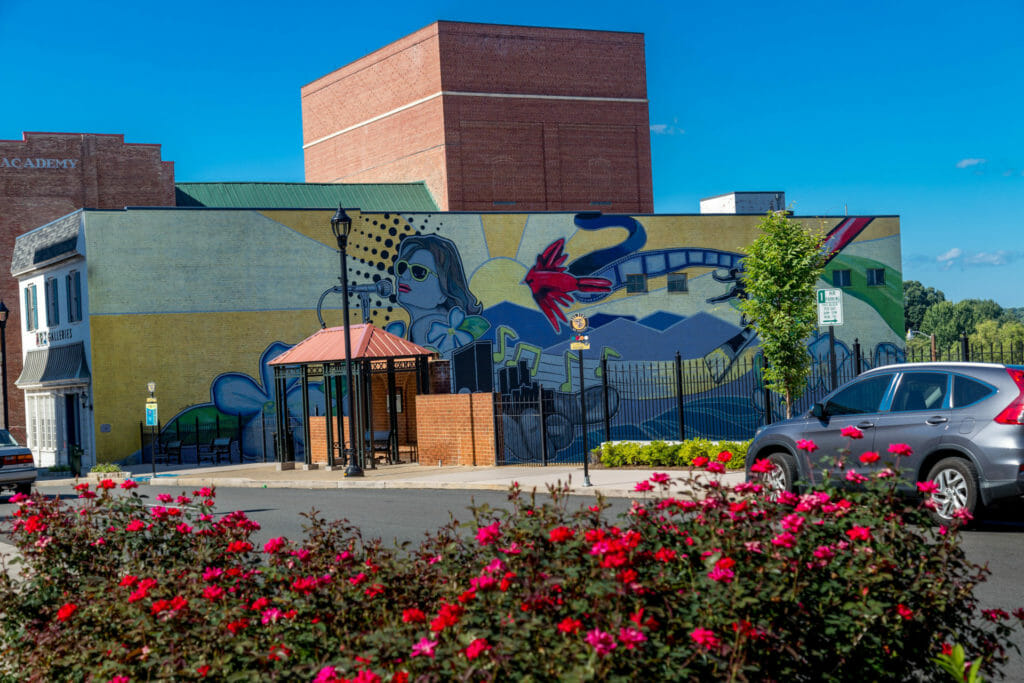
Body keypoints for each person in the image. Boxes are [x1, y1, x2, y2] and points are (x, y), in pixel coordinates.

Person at [391, 235, 482, 350]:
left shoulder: (426, 325)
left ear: (444, 289)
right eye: (402, 267)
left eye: (419, 272)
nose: (404, 276)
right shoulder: (442, 320)